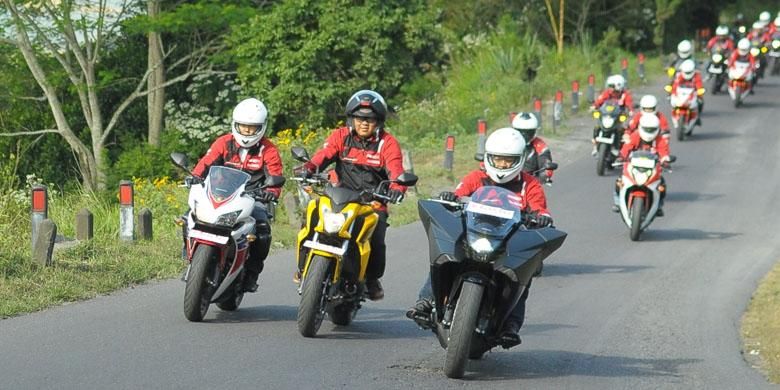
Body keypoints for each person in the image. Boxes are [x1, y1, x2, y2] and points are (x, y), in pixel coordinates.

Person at [406, 128, 553, 343]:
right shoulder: (477, 177)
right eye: (498, 160)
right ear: (488, 158)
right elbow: (459, 194)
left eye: (508, 161)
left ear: (520, 160)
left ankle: (511, 324)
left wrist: (542, 217)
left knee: (524, 274)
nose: (502, 166)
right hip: (474, 234)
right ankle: (426, 300)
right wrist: (450, 197)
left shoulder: (529, 184)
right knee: (445, 255)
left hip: (507, 242)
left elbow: (540, 209)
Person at [295, 89, 406, 301]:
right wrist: (308, 168)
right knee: (311, 216)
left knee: (378, 235)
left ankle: (372, 279)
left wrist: (397, 188)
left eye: (370, 119)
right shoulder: (340, 136)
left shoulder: (387, 143)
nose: (364, 123)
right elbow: (322, 156)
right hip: (337, 196)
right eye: (359, 118)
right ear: (351, 119)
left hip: (371, 202)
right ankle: (303, 269)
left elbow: (396, 170)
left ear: (379, 121)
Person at [192, 97, 284, 293]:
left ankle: (251, 274)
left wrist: (271, 192)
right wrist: (194, 176)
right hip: (219, 195)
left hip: (253, 198)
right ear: (235, 124)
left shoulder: (269, 149)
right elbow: (206, 162)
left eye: (252, 128)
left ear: (261, 127)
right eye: (243, 126)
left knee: (262, 231)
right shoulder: (223, 142)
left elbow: (276, 174)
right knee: (190, 215)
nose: (247, 131)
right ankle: (190, 253)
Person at [613, 115, 671, 216]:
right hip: (634, 166)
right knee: (619, 181)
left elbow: (664, 152)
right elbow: (627, 147)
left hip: (651, 169)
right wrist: (621, 156)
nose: (649, 131)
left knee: (662, 184)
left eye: (651, 129)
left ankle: (659, 205)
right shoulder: (635, 136)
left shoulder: (660, 140)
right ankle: (618, 202)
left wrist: (665, 161)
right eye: (646, 129)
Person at [590, 74, 634, 156]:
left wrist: (631, 110)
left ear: (619, 86)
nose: (610, 88)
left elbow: (629, 103)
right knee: (597, 127)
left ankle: (617, 147)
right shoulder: (608, 92)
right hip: (607, 115)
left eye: (612, 86)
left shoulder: (625, 94)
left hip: (618, 116)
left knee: (622, 130)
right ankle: (595, 145)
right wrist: (594, 106)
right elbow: (600, 99)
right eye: (610, 86)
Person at [511, 112, 554, 184]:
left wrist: (544, 175)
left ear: (534, 131)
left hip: (529, 182)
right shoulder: (506, 141)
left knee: (538, 195)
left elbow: (546, 162)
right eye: (521, 132)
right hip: (507, 179)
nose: (524, 136)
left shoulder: (539, 145)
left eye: (528, 132)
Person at [667, 59, 705, 125]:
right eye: (686, 72)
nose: (687, 74)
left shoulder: (697, 76)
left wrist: (699, 92)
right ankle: (675, 113)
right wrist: (672, 94)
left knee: (700, 102)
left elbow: (699, 85)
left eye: (689, 72)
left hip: (693, 93)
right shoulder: (680, 76)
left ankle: (697, 116)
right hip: (682, 93)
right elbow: (675, 85)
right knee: (670, 99)